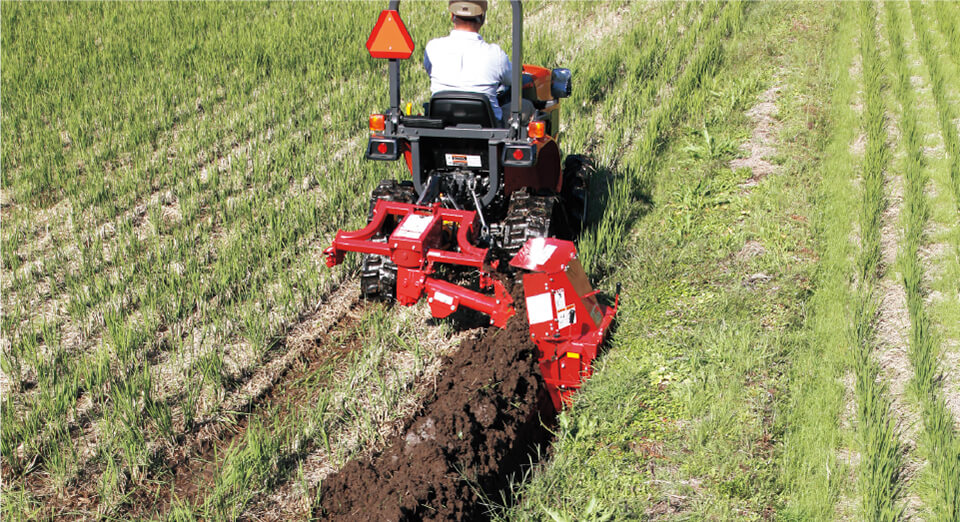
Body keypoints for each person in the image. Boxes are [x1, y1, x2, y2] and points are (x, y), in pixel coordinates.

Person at [423, 0, 512, 122]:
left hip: (442, 122)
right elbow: (512, 80)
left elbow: (430, 72)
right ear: (482, 18)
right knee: (526, 105)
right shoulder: (496, 54)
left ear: (452, 16)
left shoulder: (433, 48)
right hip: (488, 127)